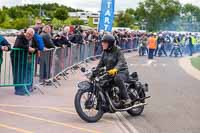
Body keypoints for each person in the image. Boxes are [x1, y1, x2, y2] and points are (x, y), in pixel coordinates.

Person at [96, 34, 131, 105]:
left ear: (110, 43)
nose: (102, 44)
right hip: (110, 73)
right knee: (101, 81)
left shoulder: (118, 50)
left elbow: (121, 61)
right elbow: (100, 64)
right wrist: (94, 72)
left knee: (117, 78)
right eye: (102, 42)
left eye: (105, 42)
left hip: (122, 72)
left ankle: (127, 98)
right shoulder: (104, 52)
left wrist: (115, 69)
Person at [11, 28, 37, 96]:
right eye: (28, 34)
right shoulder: (20, 36)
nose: (28, 35)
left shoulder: (33, 39)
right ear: (26, 32)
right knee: (18, 73)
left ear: (32, 35)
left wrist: (34, 50)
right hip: (17, 57)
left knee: (22, 73)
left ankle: (23, 88)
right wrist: (28, 48)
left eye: (30, 35)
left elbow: (36, 47)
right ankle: (18, 90)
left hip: (25, 58)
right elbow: (18, 45)